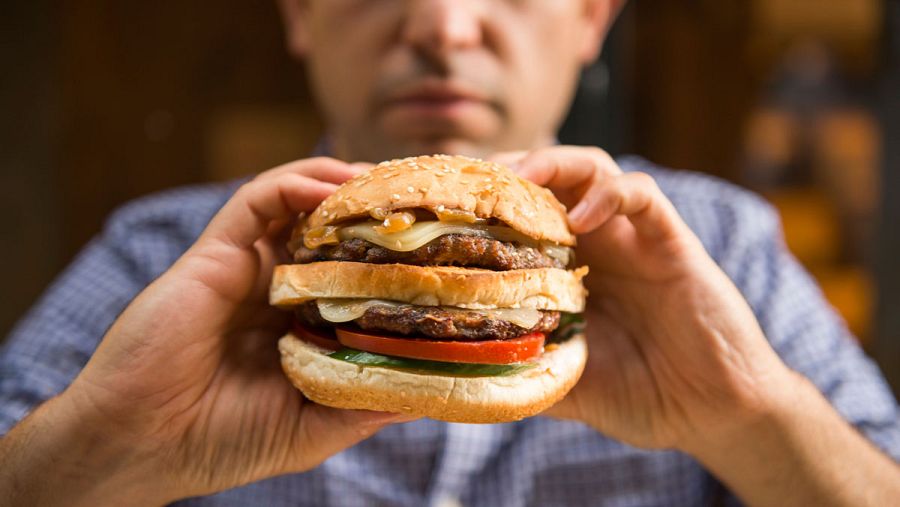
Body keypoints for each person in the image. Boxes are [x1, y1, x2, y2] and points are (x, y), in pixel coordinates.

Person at [1, 1, 899, 505]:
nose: (442, 25)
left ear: (591, 19)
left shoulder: (722, 244)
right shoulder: (159, 255)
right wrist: (108, 449)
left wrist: (746, 417)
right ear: (302, 15)